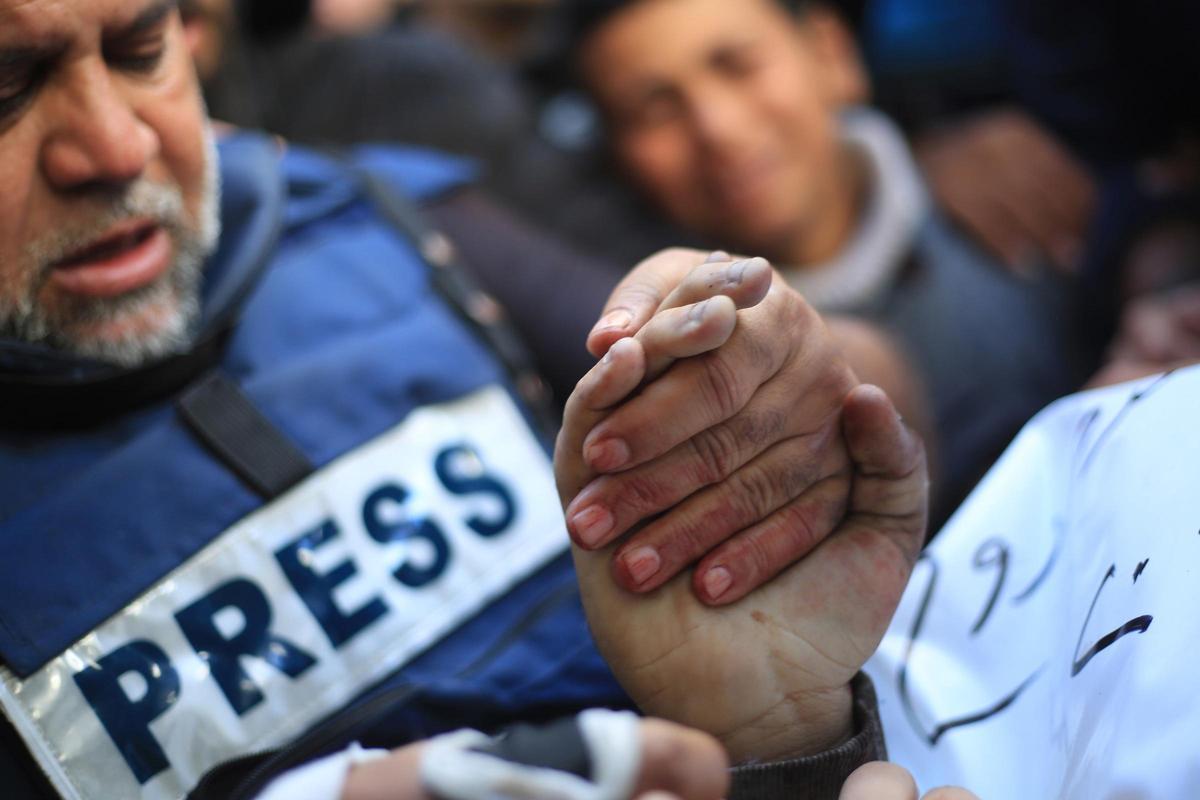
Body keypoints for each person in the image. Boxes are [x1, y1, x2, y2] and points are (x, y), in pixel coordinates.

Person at [0, 1, 940, 798]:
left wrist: (781, 739)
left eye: (139, 49)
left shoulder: (380, 214)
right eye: (7, 85)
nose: (117, 146)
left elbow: (855, 372)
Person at [569, 0, 1085, 521]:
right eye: (654, 110)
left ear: (830, 52)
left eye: (738, 65)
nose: (716, 128)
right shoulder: (686, 385)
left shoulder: (1020, 178)